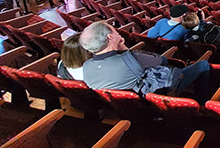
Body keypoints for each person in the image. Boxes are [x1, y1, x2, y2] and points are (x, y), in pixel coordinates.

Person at [79, 21, 212, 103]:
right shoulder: (133, 59)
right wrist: (124, 49)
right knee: (203, 65)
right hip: (154, 98)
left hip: (131, 109)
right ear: (110, 37)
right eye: (113, 29)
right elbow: (162, 61)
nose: (116, 31)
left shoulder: (87, 67)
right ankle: (201, 103)